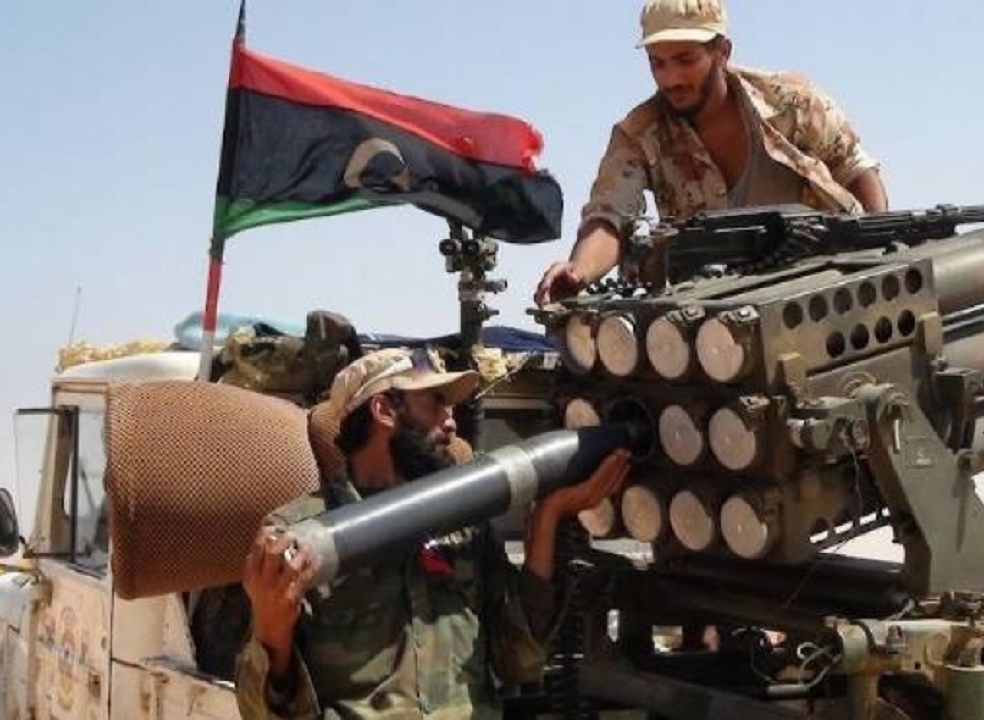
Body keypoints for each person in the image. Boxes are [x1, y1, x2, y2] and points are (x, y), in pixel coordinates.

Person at [234, 347, 630, 719]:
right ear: (384, 410)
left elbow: (518, 661)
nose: (451, 422)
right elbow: (260, 712)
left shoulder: (465, 523)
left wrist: (548, 516)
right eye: (435, 403)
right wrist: (272, 630)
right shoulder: (297, 535)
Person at [534, 0, 889, 306]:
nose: (671, 78)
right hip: (716, 315)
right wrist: (579, 271)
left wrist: (886, 258)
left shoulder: (790, 101)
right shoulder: (638, 134)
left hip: (824, 293)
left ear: (722, 52)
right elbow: (609, 215)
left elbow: (854, 168)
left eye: (685, 59)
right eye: (658, 63)